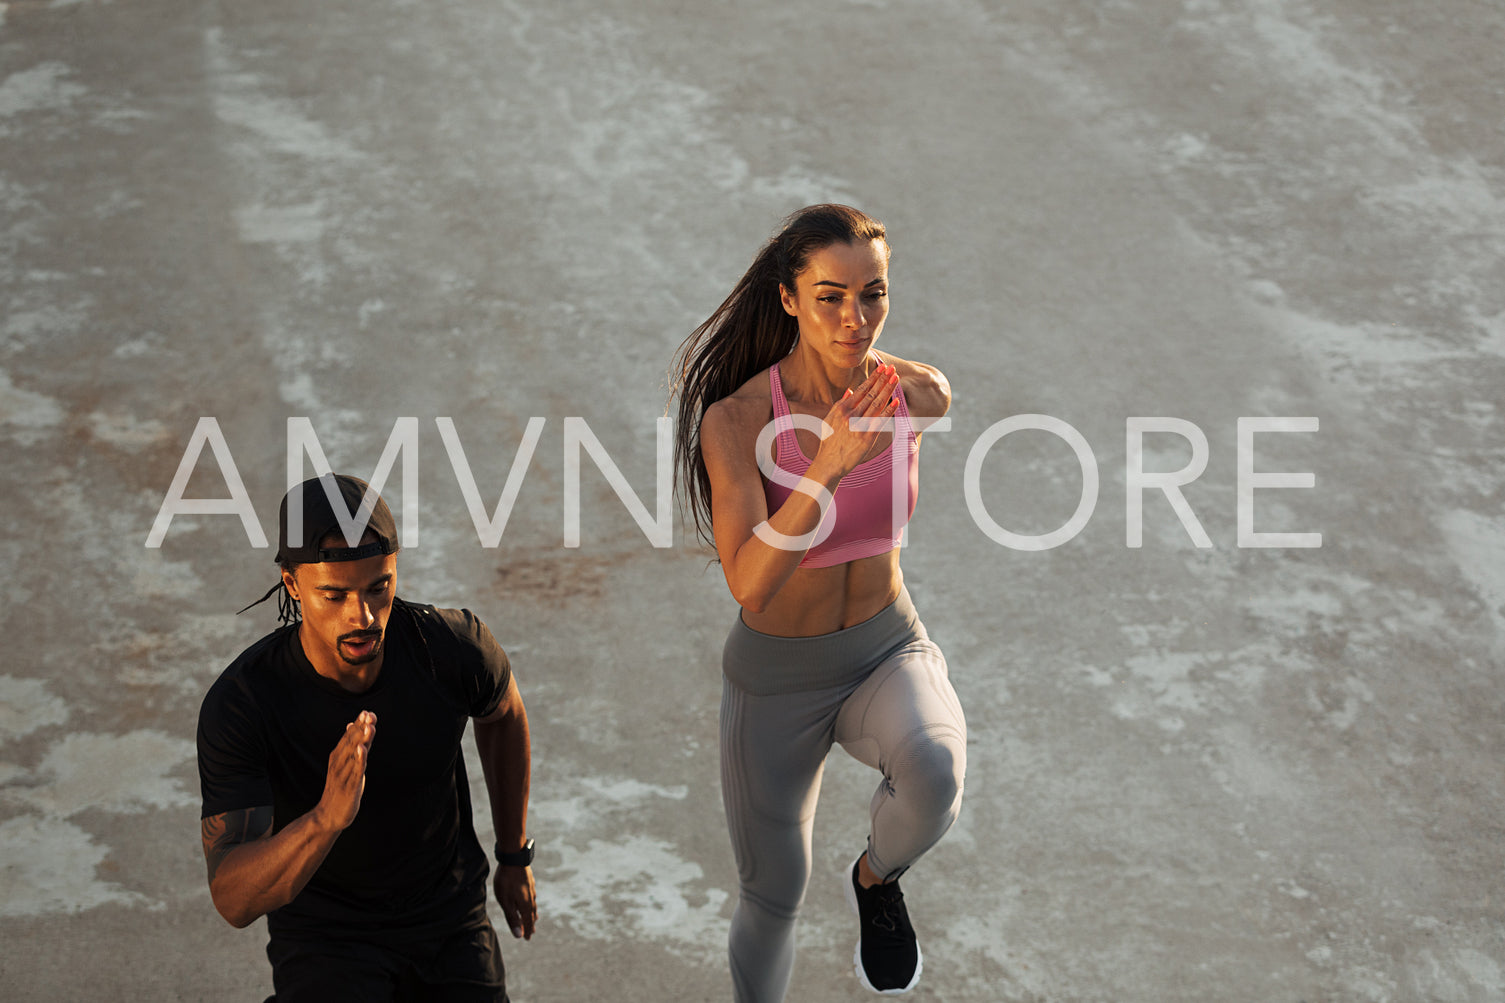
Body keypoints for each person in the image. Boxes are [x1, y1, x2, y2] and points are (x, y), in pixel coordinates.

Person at [672, 204, 967, 999]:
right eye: (830, 295)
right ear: (788, 299)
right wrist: (827, 465)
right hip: (775, 677)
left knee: (935, 774)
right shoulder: (734, 421)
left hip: (884, 646)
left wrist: (862, 375)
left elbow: (939, 395)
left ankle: (875, 879)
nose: (855, 316)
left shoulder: (907, 391)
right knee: (773, 897)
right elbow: (749, 579)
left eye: (872, 294)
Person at [196, 473, 536, 1003]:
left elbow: (503, 711)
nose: (364, 616)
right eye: (334, 594)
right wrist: (323, 821)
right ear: (291, 584)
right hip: (327, 939)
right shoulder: (246, 703)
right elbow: (233, 899)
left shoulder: (449, 649)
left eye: (379, 586)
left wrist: (514, 854)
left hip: (448, 919)